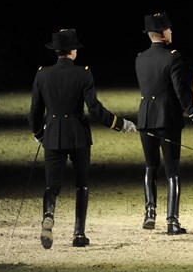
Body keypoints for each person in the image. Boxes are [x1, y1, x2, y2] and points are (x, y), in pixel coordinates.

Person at [28, 28, 137, 249]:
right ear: (73, 51)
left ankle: (48, 215)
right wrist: (119, 124)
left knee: (52, 185)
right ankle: (79, 234)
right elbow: (95, 109)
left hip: (54, 136)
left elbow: (34, 113)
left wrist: (40, 134)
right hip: (78, 135)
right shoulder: (83, 73)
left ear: (57, 51)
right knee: (82, 185)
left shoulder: (42, 74)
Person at [135, 12, 193, 235]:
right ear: (163, 34)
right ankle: (172, 221)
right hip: (167, 119)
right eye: (169, 29)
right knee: (172, 170)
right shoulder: (173, 57)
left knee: (150, 166)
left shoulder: (140, 58)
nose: (172, 32)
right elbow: (181, 91)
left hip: (145, 118)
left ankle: (149, 213)